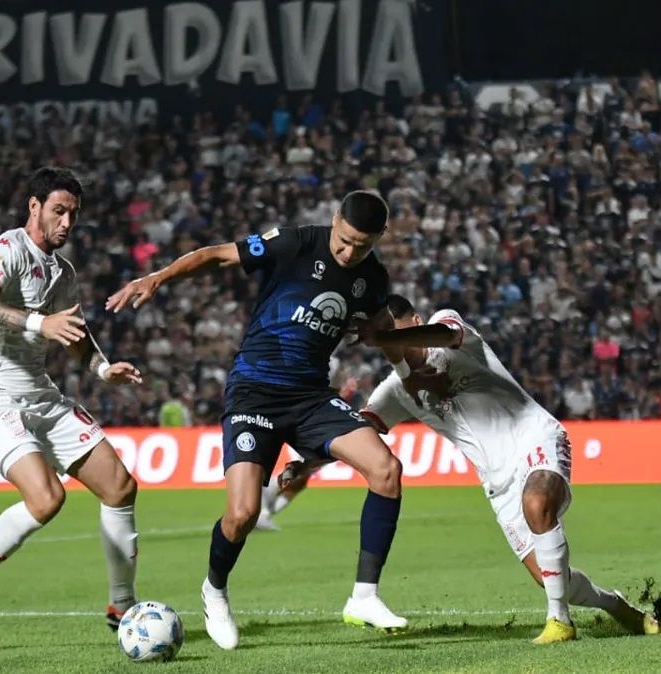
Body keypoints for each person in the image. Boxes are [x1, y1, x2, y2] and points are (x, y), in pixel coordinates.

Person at [107, 191, 437, 649]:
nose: (348, 252)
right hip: (255, 392)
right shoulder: (296, 243)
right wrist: (159, 277)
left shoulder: (372, 278)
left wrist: (401, 362)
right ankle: (215, 589)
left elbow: (380, 327)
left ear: (378, 238)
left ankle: (364, 596)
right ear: (334, 219)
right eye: (343, 240)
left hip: (310, 398)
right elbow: (217, 255)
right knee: (243, 513)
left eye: (361, 245)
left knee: (387, 469)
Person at [273, 295, 660, 643]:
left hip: (534, 438)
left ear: (416, 320)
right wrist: (310, 463)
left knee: (538, 501)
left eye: (396, 330)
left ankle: (559, 623)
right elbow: (360, 433)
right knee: (552, 578)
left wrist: (384, 341)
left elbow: (443, 336)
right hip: (498, 482)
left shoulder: (451, 330)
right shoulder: (394, 392)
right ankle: (615, 605)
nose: (393, 339)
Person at [0, 167, 145, 639]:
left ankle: (123, 605)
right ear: (34, 206)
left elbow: (74, 336)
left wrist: (101, 368)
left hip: (41, 395)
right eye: (59, 210)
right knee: (47, 498)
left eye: (73, 214)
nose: (67, 223)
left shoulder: (63, 272)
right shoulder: (5, 249)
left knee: (119, 486)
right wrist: (40, 324)